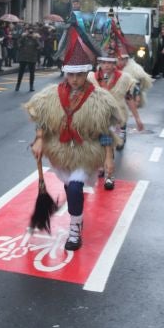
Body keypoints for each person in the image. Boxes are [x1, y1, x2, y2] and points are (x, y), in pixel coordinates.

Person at [26, 20, 121, 251]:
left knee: (76, 188)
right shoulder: (52, 95)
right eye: (71, 75)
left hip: (86, 153)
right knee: (70, 188)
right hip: (61, 152)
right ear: (66, 73)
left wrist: (108, 158)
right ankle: (77, 216)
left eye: (79, 74)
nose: (75, 79)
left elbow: (105, 131)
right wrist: (39, 139)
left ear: (86, 73)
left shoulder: (99, 99)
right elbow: (42, 119)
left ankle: (75, 230)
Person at [15, 28, 40, 92]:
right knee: (21, 72)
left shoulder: (35, 39)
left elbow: (39, 46)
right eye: (29, 32)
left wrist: (35, 39)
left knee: (32, 73)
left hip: (32, 58)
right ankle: (18, 85)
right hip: (23, 57)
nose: (30, 34)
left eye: (31, 32)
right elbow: (18, 43)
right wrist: (23, 37)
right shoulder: (23, 38)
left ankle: (31, 86)